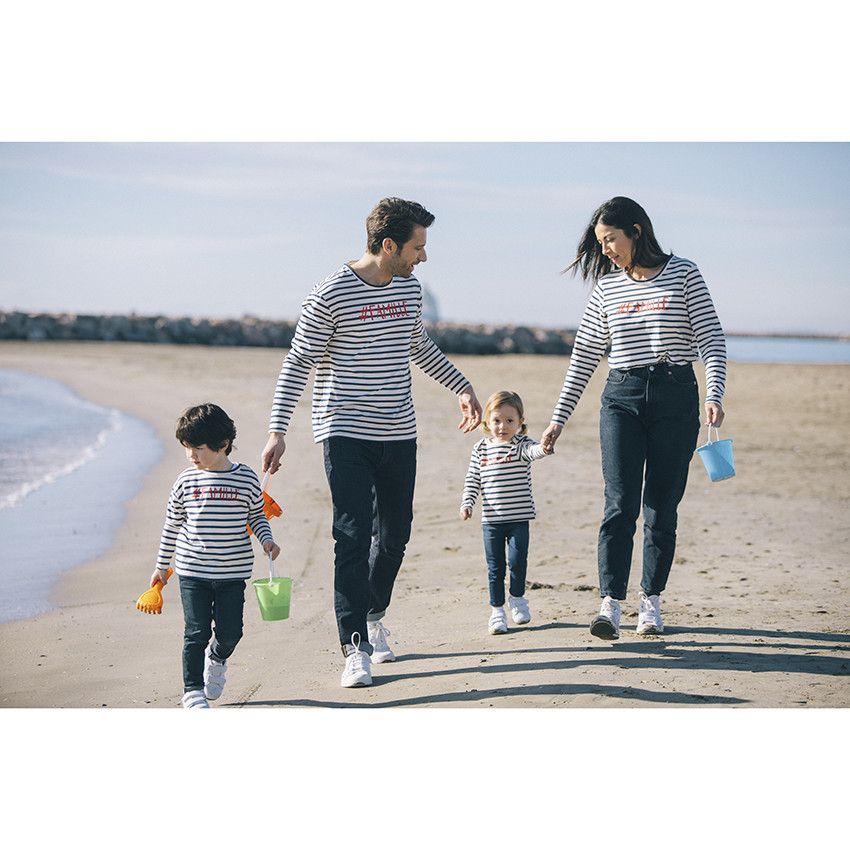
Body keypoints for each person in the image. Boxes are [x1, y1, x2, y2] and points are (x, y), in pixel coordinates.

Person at [262, 197, 482, 688]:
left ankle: (373, 611)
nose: (423, 256)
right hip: (343, 431)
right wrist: (278, 429)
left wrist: (461, 386)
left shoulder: (409, 287)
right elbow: (298, 362)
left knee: (395, 535)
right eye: (417, 247)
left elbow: (418, 346)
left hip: (399, 431)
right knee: (352, 534)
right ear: (389, 245)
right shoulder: (331, 294)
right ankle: (354, 643)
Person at [541, 196, 726, 640]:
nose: (606, 250)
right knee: (619, 504)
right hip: (621, 396)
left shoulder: (684, 274)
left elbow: (712, 340)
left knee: (662, 506)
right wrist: (558, 418)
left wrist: (714, 394)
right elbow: (583, 357)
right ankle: (610, 603)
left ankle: (651, 601)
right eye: (601, 242)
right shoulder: (607, 289)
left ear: (636, 231)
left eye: (610, 240)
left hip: (675, 396)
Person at [152, 403, 281, 709]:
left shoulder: (246, 479)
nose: (191, 456)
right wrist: (161, 567)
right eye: (186, 448)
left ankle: (218, 657)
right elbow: (171, 525)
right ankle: (193, 691)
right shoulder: (185, 481)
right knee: (195, 632)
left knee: (230, 633)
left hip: (232, 574)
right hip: (192, 572)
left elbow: (257, 516)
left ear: (223, 444)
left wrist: (267, 541)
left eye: (197, 448)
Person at [461, 390, 552, 634]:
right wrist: (467, 503)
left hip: (519, 519)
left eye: (510, 421)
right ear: (487, 422)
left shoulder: (521, 445)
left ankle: (518, 598)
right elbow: (473, 479)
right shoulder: (481, 449)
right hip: (491, 521)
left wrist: (544, 447)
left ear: (520, 423)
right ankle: (497, 612)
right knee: (495, 568)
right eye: (497, 421)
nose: (503, 426)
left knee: (517, 561)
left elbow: (535, 452)